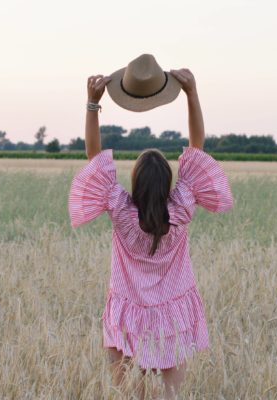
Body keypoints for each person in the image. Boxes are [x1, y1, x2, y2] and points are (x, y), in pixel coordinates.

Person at [68, 55, 234, 399]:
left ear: (135, 184)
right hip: (173, 313)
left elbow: (94, 158)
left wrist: (92, 104)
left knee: (130, 395)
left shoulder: (121, 212)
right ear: (168, 183)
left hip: (127, 315)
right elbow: (197, 147)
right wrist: (192, 94)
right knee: (171, 396)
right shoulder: (181, 209)